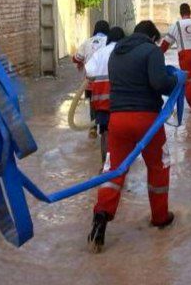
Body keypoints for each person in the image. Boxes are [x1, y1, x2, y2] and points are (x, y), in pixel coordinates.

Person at [88, 21, 178, 253]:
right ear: (152, 37)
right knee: (159, 165)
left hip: (117, 119)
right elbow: (159, 83)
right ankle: (159, 217)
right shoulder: (151, 51)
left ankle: (101, 213)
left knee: (114, 169)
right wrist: (175, 81)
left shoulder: (116, 52)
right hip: (147, 121)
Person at [84, 26, 126, 163]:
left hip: (102, 101)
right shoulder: (126, 52)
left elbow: (89, 72)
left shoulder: (100, 53)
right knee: (122, 133)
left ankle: (105, 165)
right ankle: (121, 165)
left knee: (105, 132)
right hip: (122, 101)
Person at [160, 3, 191, 114]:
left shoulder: (176, 25)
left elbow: (166, 43)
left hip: (185, 56)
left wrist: (157, 55)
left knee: (189, 82)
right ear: (190, 12)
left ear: (181, 13)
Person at [74, 20, 110, 138]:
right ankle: (106, 127)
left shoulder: (87, 42)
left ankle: (93, 127)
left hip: (89, 82)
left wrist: (80, 63)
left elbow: (76, 58)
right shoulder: (109, 43)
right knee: (106, 103)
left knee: (93, 104)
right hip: (105, 82)